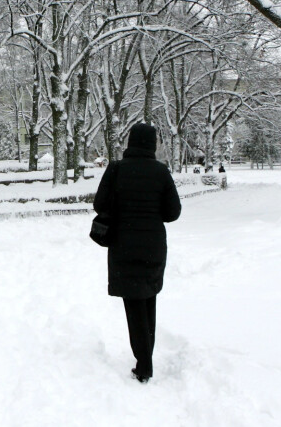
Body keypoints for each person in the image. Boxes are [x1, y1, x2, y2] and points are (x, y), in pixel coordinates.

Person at [94, 123, 182, 383]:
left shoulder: (116, 169)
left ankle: (144, 364)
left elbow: (100, 204)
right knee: (149, 300)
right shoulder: (161, 172)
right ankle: (146, 358)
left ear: (130, 142)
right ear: (153, 145)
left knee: (133, 306)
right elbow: (172, 213)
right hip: (153, 247)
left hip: (123, 246)